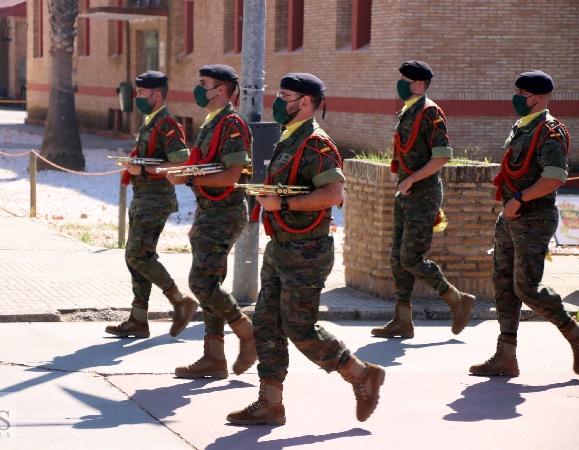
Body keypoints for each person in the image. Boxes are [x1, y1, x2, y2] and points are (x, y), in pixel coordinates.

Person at [227, 73, 385, 425]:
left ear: (306, 103)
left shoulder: (316, 143)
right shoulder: (291, 139)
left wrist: (281, 207)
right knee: (267, 322)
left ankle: (361, 374)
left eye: (285, 96)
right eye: (279, 94)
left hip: (306, 251)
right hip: (281, 247)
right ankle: (270, 403)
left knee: (300, 326)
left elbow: (333, 195)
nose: (277, 101)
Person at [470, 70, 577, 377]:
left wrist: (520, 198)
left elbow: (555, 177)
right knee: (503, 284)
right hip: (511, 217)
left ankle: (575, 335)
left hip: (534, 218)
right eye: (516, 90)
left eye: (522, 93)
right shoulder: (523, 127)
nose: (517, 97)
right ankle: (506, 356)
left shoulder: (550, 130)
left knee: (526, 288)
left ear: (540, 97)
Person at [371, 60, 475, 339]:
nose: (400, 82)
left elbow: (442, 156)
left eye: (405, 78)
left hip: (423, 195)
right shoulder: (409, 111)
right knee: (397, 258)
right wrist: (405, 182)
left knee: (410, 257)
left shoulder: (430, 112)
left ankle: (456, 299)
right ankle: (402, 320)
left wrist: (411, 180)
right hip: (407, 192)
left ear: (418, 84)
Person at [167, 64, 256, 378]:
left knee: (201, 282)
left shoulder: (232, 125)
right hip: (210, 212)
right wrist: (187, 178)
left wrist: (190, 177)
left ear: (220, 89)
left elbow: (232, 176)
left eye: (203, 83)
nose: (198, 88)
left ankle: (246, 331)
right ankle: (214, 357)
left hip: (224, 213)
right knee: (212, 284)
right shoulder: (211, 123)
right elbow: (200, 169)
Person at [105, 71, 198, 339]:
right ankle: (138, 319)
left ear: (157, 95)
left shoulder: (167, 124)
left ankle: (180, 301)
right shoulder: (150, 122)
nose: (137, 97)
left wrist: (143, 171)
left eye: (142, 93)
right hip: (143, 198)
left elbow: (181, 162)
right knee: (134, 257)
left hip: (156, 200)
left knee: (138, 255)